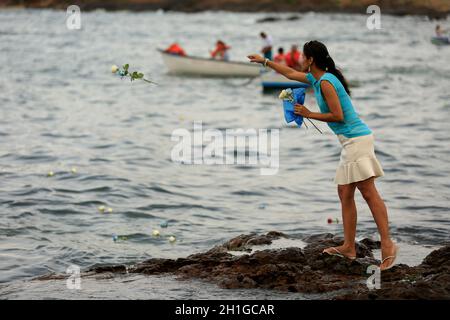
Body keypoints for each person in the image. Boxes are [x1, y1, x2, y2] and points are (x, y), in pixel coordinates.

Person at [248, 40, 398, 271]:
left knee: (369, 193)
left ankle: (387, 245)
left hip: (357, 140)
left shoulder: (327, 82)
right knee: (344, 193)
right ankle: (349, 247)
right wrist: (265, 61)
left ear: (310, 60)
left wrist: (309, 114)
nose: (299, 60)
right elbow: (289, 73)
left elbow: (338, 115)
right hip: (350, 141)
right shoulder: (316, 79)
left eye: (302, 57)